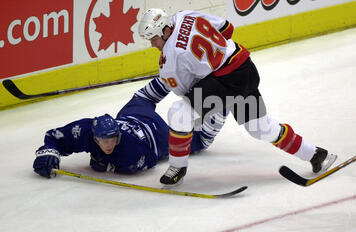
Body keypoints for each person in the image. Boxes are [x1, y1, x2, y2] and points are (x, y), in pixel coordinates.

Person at [137, 9, 337, 186]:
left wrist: (208, 78)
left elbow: (186, 92)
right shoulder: (185, 15)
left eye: (153, 38)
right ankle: (316, 154)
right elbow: (227, 29)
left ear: (165, 30)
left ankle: (177, 167)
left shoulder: (171, 59)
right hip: (245, 68)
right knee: (261, 128)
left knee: (179, 112)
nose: (152, 43)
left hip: (226, 82)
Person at [33, 79, 227, 181]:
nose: (109, 145)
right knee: (143, 96)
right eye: (105, 141)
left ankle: (223, 103)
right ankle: (170, 77)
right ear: (95, 137)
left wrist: (108, 165)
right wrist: (49, 151)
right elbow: (54, 136)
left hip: (157, 136)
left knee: (200, 141)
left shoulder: (130, 153)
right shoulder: (85, 129)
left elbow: (149, 159)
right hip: (133, 115)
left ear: (118, 135)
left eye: (112, 139)